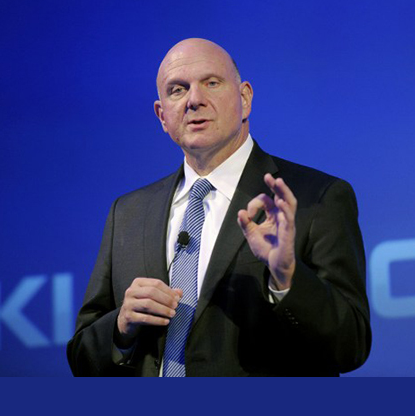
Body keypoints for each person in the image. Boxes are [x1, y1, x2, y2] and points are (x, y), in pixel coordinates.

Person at [66, 38, 371, 376]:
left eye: (211, 83)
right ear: (162, 115)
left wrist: (287, 280)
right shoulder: (128, 213)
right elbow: (82, 358)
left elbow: (351, 345)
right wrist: (121, 327)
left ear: (244, 98)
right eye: (177, 90)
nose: (194, 100)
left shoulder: (315, 198)